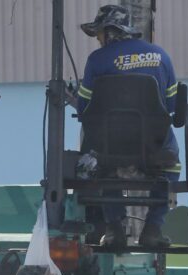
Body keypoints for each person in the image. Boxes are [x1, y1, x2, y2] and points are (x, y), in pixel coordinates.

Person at [75, 4, 181, 251]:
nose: (98, 39)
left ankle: (114, 230)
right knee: (173, 164)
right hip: (153, 149)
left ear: (110, 31)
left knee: (101, 169)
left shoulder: (97, 60)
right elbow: (172, 106)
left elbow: (83, 108)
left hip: (109, 150)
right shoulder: (160, 56)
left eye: (99, 34)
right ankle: (153, 229)